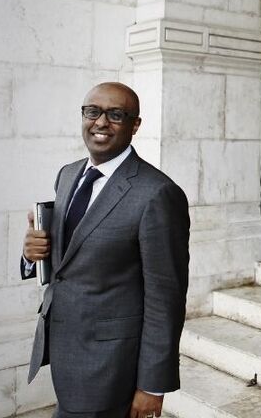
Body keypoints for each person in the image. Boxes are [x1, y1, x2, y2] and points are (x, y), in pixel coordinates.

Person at [21, 82, 190, 418]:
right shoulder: (68, 175)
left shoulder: (157, 194)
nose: (100, 122)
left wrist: (152, 386)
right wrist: (31, 254)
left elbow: (165, 299)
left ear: (135, 125)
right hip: (64, 350)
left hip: (112, 363)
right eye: (92, 112)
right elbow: (68, 261)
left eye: (116, 115)